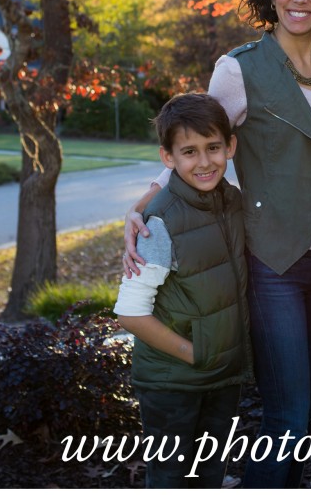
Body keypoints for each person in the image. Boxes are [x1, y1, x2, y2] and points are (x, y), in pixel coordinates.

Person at [123, 0, 311, 489]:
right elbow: (198, 143)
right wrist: (145, 204)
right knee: (287, 412)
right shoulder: (239, 69)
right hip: (278, 262)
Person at [113, 93, 251, 489]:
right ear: (168, 157)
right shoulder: (159, 222)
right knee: (172, 477)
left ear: (231, 146)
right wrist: (195, 354)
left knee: (210, 473)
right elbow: (130, 313)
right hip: (173, 381)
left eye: (213, 148)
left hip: (222, 375)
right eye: (189, 151)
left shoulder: (233, 202)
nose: (204, 162)